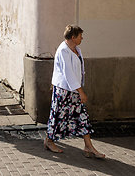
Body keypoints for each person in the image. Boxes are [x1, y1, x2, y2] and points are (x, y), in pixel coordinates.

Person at [44, 25, 105, 159]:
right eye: (80, 36)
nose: (82, 38)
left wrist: (79, 89)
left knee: (82, 116)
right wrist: (81, 92)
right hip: (63, 90)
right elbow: (69, 74)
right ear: (73, 37)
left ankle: (88, 145)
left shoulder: (76, 49)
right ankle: (49, 141)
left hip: (74, 89)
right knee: (58, 116)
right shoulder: (63, 51)